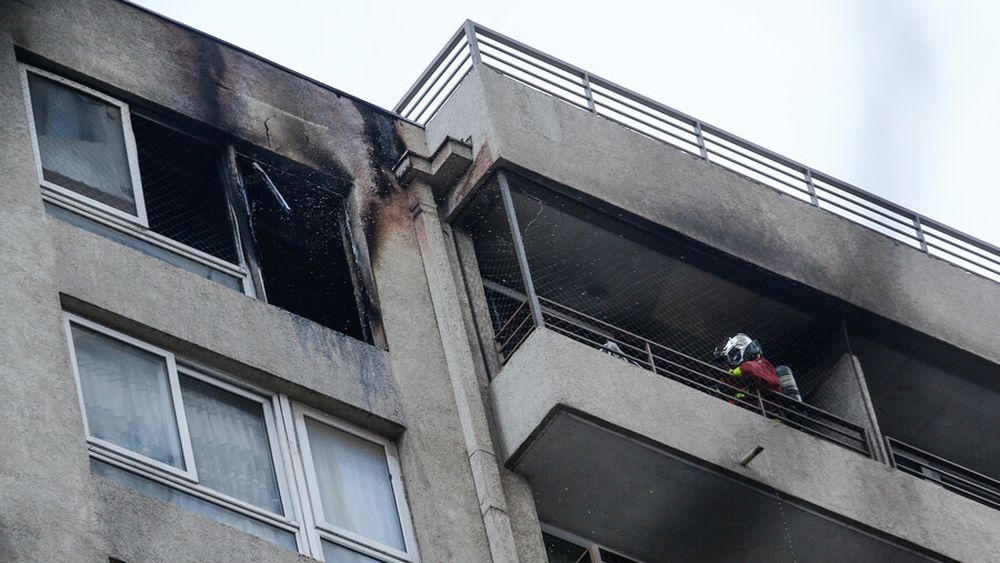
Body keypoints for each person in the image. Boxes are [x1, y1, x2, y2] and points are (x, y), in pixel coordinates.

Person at [712, 333, 783, 401]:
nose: (726, 364)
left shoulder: (761, 364)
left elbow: (750, 369)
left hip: (769, 406)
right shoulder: (740, 376)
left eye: (726, 360)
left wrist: (734, 372)